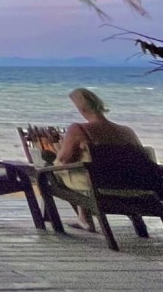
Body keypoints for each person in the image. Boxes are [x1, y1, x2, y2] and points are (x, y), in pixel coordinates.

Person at [55, 87, 145, 232]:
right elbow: (142, 160)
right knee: (87, 166)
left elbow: (63, 160)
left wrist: (60, 147)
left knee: (54, 171)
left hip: (98, 183)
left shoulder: (79, 129)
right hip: (131, 183)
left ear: (82, 109)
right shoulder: (127, 132)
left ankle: (84, 219)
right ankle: (136, 219)